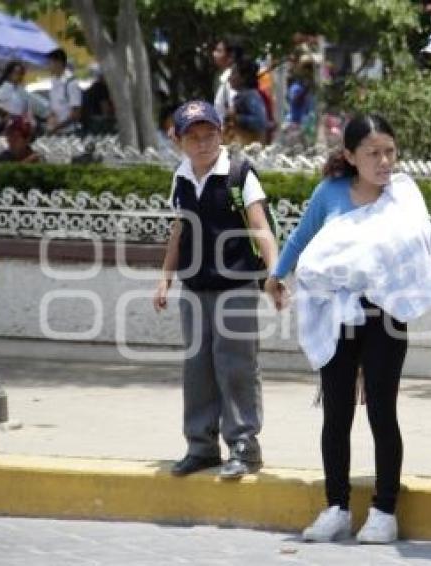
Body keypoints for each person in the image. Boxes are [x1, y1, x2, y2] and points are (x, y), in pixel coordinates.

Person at [264, 115, 431, 544]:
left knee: (382, 410)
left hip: (385, 313)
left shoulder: (403, 196)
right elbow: (302, 237)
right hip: (335, 314)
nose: (383, 162)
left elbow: (423, 244)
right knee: (337, 412)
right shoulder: (329, 193)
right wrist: (276, 275)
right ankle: (336, 507)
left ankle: (384, 511)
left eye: (390, 152)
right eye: (372, 153)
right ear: (350, 156)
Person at [153, 100, 277, 480]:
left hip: (236, 284)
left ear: (221, 134)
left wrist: (275, 273)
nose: (203, 143)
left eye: (209, 134)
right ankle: (201, 446)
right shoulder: (182, 176)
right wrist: (166, 276)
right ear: (178, 140)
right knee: (198, 366)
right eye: (193, 137)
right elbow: (180, 228)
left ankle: (244, 445)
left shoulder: (239, 173)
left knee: (236, 365)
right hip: (196, 286)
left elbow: (260, 227)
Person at [225, 59, 268, 146]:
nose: (230, 78)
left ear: (244, 77)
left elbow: (260, 122)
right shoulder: (241, 96)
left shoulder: (250, 96)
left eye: (233, 73)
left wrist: (236, 118)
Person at [45, 48, 82, 136]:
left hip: (70, 132)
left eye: (50, 63)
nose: (48, 66)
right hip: (57, 132)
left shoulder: (71, 83)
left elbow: (75, 114)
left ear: (59, 63)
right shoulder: (54, 82)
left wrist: (56, 127)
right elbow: (54, 107)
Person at [212, 37, 243, 122]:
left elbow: (233, 110)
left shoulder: (232, 79)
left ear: (231, 56)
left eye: (219, 51)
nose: (214, 54)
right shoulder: (224, 78)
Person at [0, 61, 31, 133]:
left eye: (20, 73)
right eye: (15, 72)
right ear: (9, 74)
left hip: (17, 126)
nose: (18, 75)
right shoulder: (6, 86)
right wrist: (5, 115)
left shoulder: (19, 89)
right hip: (6, 126)